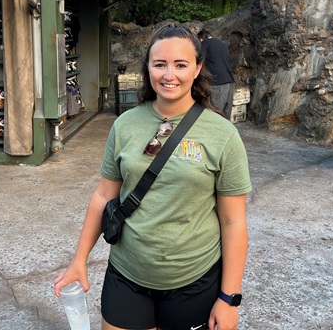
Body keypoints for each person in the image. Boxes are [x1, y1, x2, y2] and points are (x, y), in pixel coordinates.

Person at [54, 24, 252, 330]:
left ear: (198, 69)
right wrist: (79, 260)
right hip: (126, 275)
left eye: (181, 65)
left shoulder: (223, 135)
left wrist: (229, 298)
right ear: (148, 68)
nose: (169, 75)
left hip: (193, 281)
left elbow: (233, 221)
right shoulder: (125, 125)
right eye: (160, 64)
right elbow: (104, 195)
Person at [198, 29, 235, 119]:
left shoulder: (205, 43)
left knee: (216, 113)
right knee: (226, 114)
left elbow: (200, 61)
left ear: (201, 39)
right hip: (229, 82)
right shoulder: (222, 44)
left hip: (217, 83)